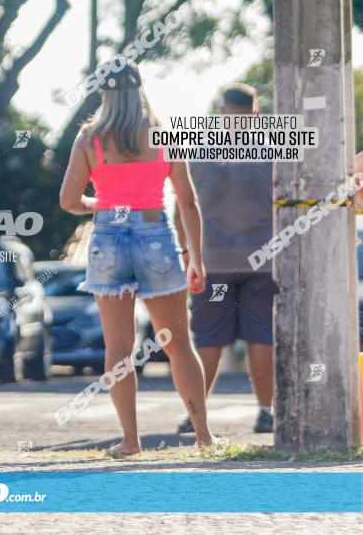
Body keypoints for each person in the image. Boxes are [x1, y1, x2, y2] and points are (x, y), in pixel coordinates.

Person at [59, 58, 218, 455]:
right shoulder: (164, 135)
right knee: (178, 343)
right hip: (155, 236)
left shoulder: (89, 139)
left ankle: (130, 441)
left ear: (104, 93)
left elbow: (68, 201)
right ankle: (203, 437)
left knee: (118, 349)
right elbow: (188, 202)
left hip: (107, 237)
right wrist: (194, 257)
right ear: (139, 89)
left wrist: (105, 204)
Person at [173, 84, 277, 434]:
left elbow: (181, 208)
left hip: (212, 263)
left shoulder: (199, 153)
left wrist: (188, 253)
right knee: (262, 338)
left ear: (221, 113)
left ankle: (195, 414)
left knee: (208, 339)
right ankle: (266, 411)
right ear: (255, 114)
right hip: (263, 261)